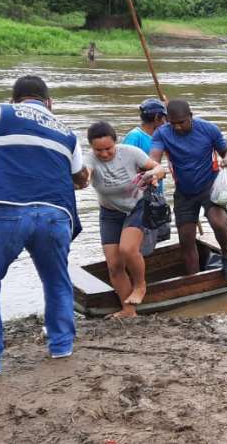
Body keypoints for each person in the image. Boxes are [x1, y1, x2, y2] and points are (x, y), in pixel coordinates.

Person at [0, 75, 89, 375]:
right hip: (56, 214)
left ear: (15, 99)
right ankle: (61, 346)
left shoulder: (0, 113)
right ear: (49, 102)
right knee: (56, 279)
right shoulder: (67, 132)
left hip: (7, 209)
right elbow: (82, 178)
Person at [149, 100, 227, 281]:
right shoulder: (162, 134)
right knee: (186, 238)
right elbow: (154, 159)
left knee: (219, 223)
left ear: (190, 116)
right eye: (173, 123)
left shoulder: (208, 129)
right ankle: (194, 278)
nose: (178, 127)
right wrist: (153, 172)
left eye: (182, 122)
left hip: (210, 187)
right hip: (183, 191)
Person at [84, 122, 165, 317]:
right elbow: (85, 176)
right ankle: (128, 310)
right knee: (114, 265)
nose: (104, 154)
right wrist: (81, 180)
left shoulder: (130, 152)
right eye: (98, 150)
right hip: (110, 213)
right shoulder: (88, 160)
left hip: (137, 207)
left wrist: (153, 174)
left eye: (108, 149)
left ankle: (140, 285)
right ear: (91, 148)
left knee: (127, 249)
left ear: (116, 143)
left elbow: (159, 168)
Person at [123, 98, 170, 246]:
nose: (165, 121)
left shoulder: (159, 135)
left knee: (153, 237)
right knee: (141, 239)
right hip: (139, 197)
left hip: (155, 195)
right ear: (157, 118)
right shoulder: (135, 137)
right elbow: (125, 165)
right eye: (163, 117)